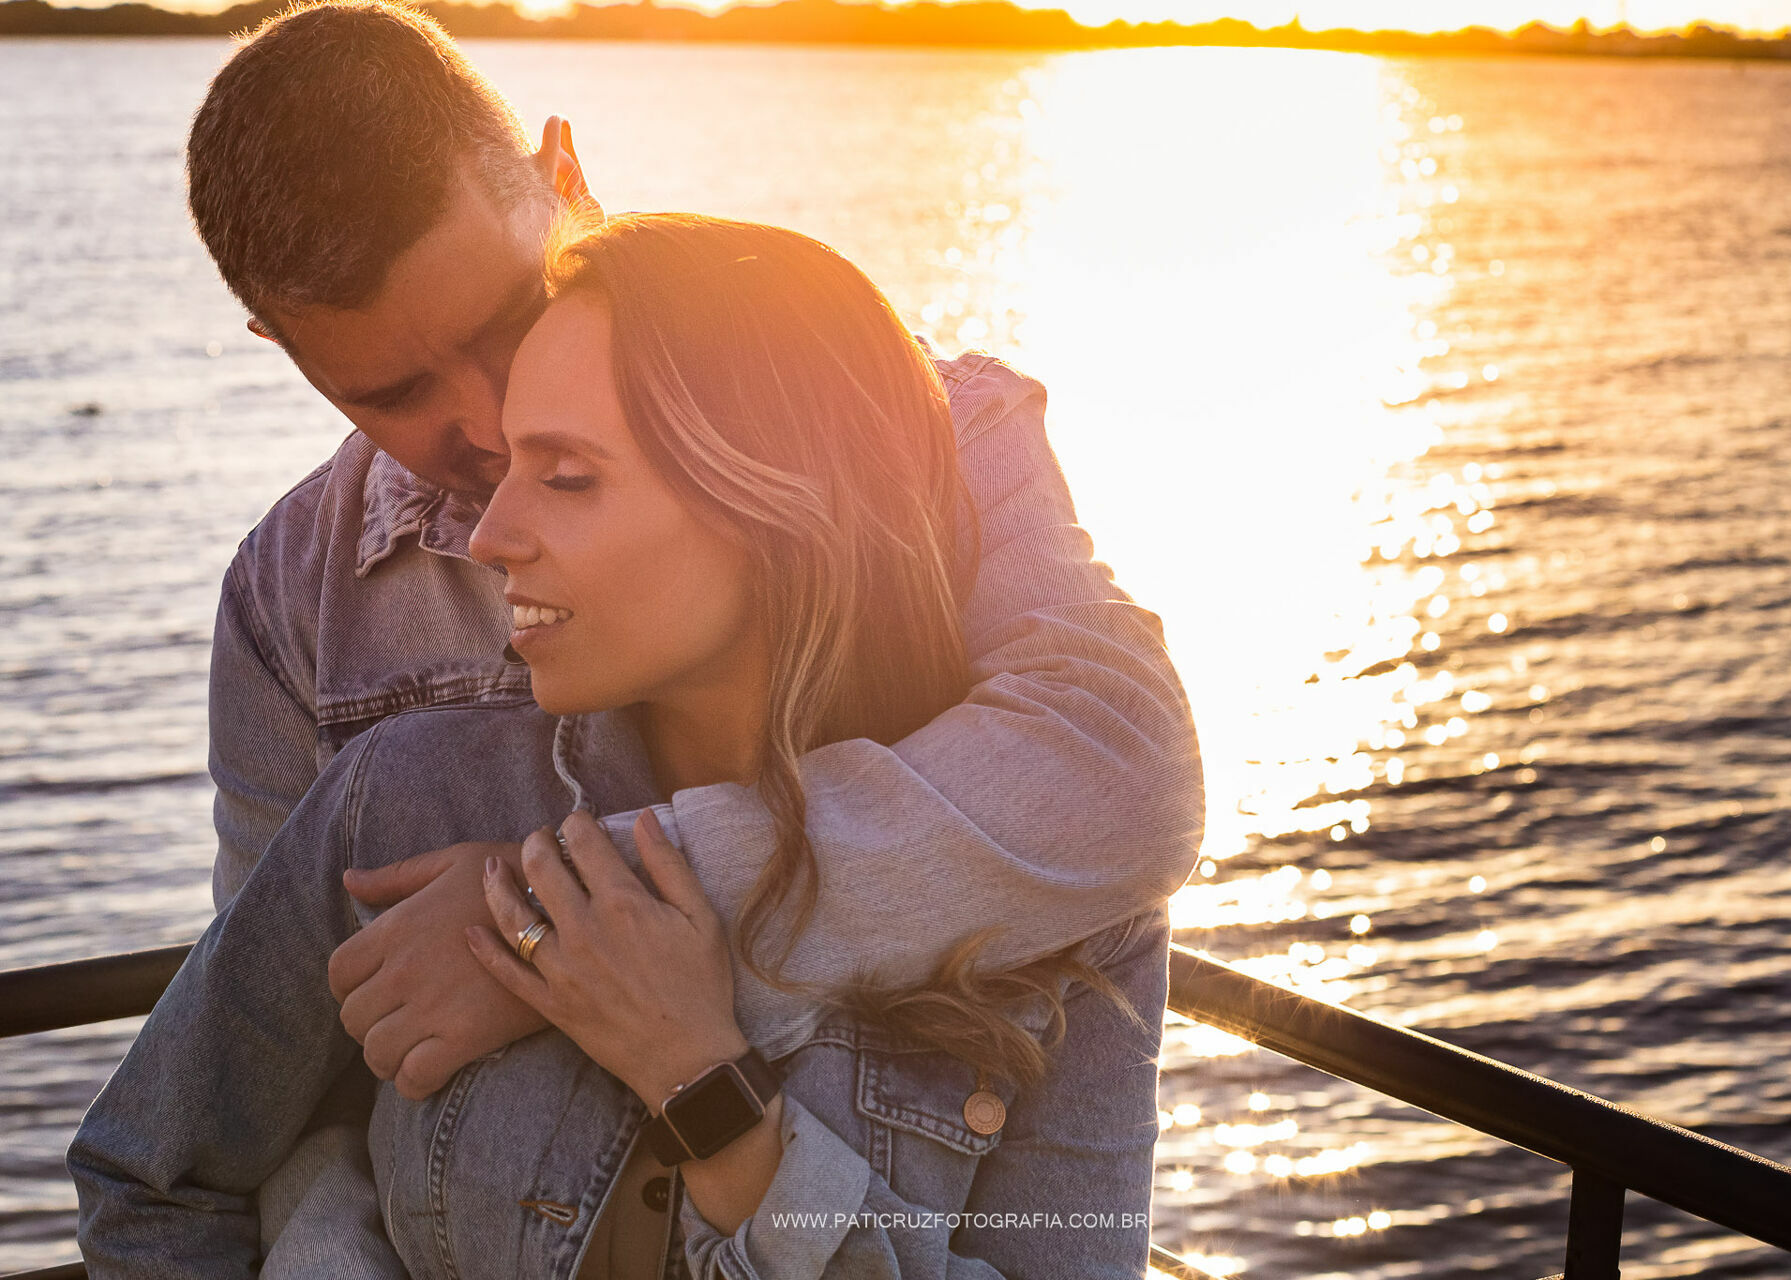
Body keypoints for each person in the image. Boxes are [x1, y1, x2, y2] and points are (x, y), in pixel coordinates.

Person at [146, 0, 1200, 1267]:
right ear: (285, 349)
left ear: (564, 179)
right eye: (393, 391)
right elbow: (287, 1081)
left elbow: (1119, 766)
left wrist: (548, 922)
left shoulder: (913, 432)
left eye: (500, 319)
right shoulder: (292, 597)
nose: (481, 421)